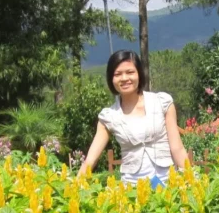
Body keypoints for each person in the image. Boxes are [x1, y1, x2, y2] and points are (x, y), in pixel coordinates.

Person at [77, 50, 189, 187]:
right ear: (111, 79)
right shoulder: (108, 116)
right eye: (117, 74)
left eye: (130, 72)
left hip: (167, 185)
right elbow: (90, 160)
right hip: (131, 190)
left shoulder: (162, 103)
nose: (124, 78)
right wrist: (74, 187)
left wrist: (191, 180)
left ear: (139, 74)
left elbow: (177, 148)